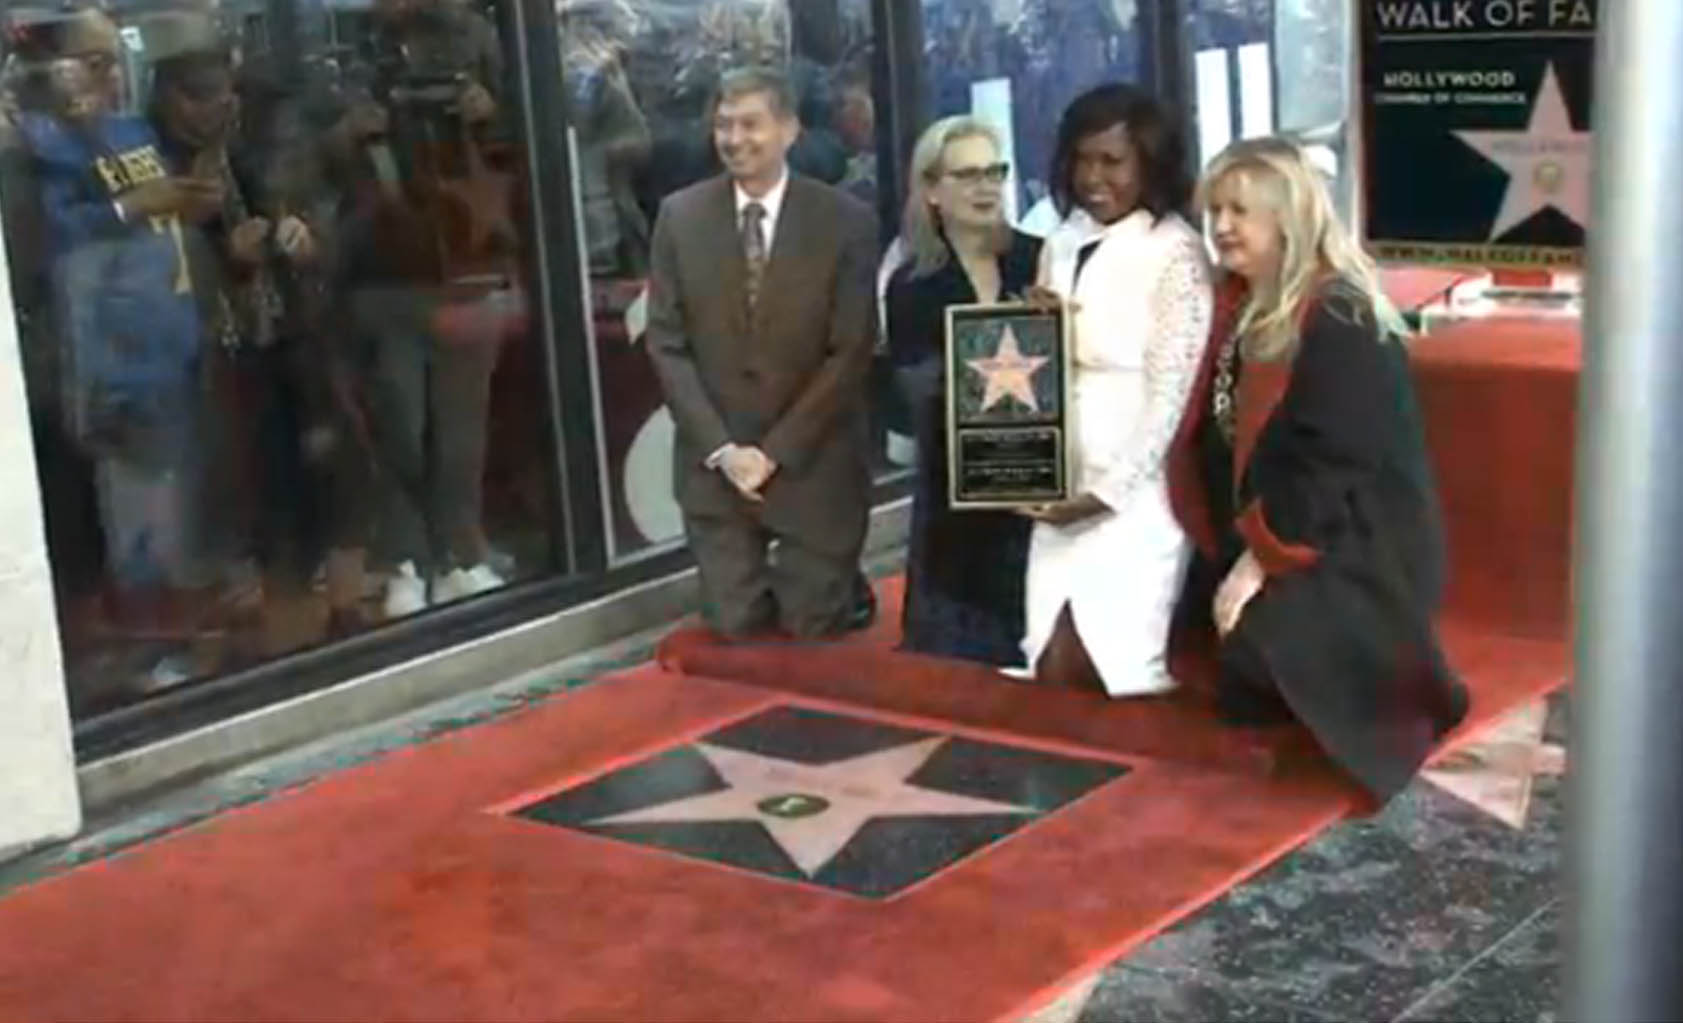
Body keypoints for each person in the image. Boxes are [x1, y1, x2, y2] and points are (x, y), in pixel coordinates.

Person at [1167, 137, 1468, 806]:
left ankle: (1403, 685)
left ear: (1288, 217)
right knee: (1202, 645)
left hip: (1352, 539)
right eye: (1213, 210)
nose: (1219, 227)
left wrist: (1258, 563)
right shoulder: (1239, 306)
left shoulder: (1338, 315)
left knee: (1253, 648)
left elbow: (1336, 466)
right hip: (1276, 523)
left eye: (1239, 211)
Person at [645, 65, 876, 638]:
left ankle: (838, 581)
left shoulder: (845, 222)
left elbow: (849, 352)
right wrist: (724, 450)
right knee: (736, 626)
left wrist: (773, 453)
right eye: (723, 125)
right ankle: (776, 576)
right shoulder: (680, 217)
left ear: (789, 130)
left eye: (751, 124)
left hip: (812, 462)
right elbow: (667, 344)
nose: (734, 139)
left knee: (811, 625)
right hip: (717, 468)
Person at [1020, 84, 1213, 696]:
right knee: (1047, 658)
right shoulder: (1061, 240)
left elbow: (1171, 398)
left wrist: (1105, 494)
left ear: (1149, 164)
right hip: (1061, 469)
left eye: (1112, 161)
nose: (1093, 177)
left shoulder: (1175, 251)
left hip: (1136, 485)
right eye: (1082, 160)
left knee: (1109, 670)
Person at [886, 115, 1037, 666]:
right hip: (957, 494)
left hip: (1044, 486)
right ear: (932, 191)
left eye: (995, 171)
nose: (986, 186)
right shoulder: (912, 285)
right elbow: (918, 394)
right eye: (968, 174)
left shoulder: (1042, 259)